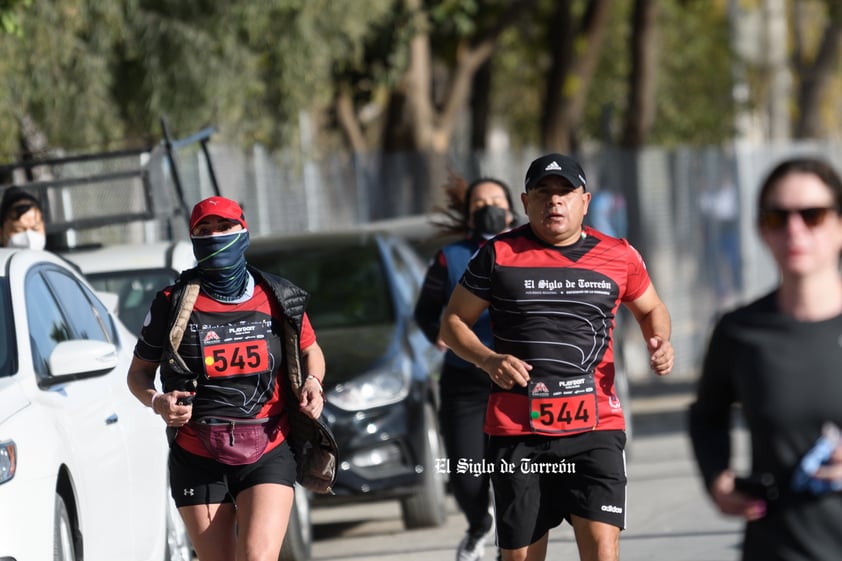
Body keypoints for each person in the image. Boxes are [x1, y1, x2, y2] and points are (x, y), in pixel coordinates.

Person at [440, 153, 674, 561]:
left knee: (603, 550)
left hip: (596, 424)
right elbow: (453, 322)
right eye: (543, 193)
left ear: (584, 200)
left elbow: (651, 308)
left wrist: (660, 340)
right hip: (518, 431)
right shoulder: (498, 255)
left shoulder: (619, 255)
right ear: (525, 200)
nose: (555, 202)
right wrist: (489, 360)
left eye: (565, 192)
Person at [127, 196, 328, 561]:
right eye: (205, 231)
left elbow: (310, 350)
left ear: (244, 232)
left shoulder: (278, 296)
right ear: (193, 240)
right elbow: (138, 374)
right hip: (197, 452)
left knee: (257, 557)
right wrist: (158, 402)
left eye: (225, 228)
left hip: (269, 444)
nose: (215, 236)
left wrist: (313, 381)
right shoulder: (171, 303)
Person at [688, 156, 842, 561]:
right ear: (761, 231)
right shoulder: (740, 332)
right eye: (778, 218)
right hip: (778, 547)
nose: (795, 230)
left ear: (839, 226)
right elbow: (707, 415)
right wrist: (716, 477)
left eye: (813, 215)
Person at [414, 174, 517, 561]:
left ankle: (514, 544)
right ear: (470, 214)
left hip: (519, 378)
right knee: (466, 473)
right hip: (466, 380)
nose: (489, 207)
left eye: (496, 200)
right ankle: (478, 525)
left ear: (512, 207)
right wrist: (437, 334)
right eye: (479, 203)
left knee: (517, 472)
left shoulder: (530, 249)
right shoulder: (452, 257)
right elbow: (426, 312)